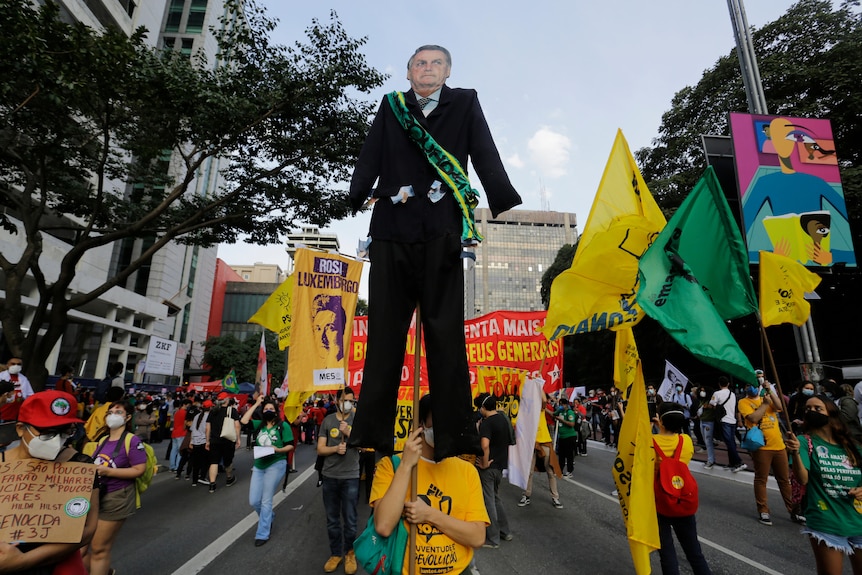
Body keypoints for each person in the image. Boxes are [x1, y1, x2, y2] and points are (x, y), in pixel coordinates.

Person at [347, 44, 521, 460]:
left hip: (443, 230)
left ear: (448, 71)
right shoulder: (392, 106)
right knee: (385, 331)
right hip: (391, 229)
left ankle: (457, 434)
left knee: (446, 332)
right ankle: (372, 431)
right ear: (408, 72)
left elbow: (483, 148)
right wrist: (357, 194)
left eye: (436, 63)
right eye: (420, 63)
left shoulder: (465, 102)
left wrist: (500, 194)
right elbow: (372, 151)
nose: (428, 69)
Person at [370, 393, 488, 574]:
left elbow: (477, 537)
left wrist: (429, 514)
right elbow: (384, 526)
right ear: (420, 425)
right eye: (438, 420)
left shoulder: (467, 471)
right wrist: (406, 465)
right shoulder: (390, 467)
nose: (445, 427)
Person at [0, 390, 99, 574]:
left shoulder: (80, 465)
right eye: (46, 433)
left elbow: (88, 529)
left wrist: (23, 561)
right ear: (21, 428)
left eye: (64, 432)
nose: (55, 441)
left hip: (56, 565)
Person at [786, 395, 862, 575]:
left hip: (858, 519)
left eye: (817, 408)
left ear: (831, 412)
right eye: (808, 409)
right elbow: (803, 478)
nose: (811, 412)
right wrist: (795, 453)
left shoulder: (853, 445)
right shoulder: (803, 442)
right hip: (826, 521)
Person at [83, 399, 147, 575]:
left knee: (98, 548)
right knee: (80, 549)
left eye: (118, 412)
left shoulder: (131, 440)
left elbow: (139, 470)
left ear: (127, 418)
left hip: (116, 497)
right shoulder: (103, 440)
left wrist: (108, 472)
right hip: (95, 496)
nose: (113, 416)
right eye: (110, 412)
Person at [653, 401, 712, 575]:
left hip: (659, 503)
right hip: (683, 499)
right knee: (694, 552)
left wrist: (654, 428)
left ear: (660, 421)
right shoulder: (686, 441)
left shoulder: (649, 442)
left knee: (667, 553)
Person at [738, 370, 801, 526]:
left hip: (779, 445)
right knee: (761, 479)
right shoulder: (744, 402)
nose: (751, 388)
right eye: (749, 385)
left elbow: (780, 406)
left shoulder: (766, 396)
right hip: (761, 447)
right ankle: (763, 511)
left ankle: (794, 510)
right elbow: (753, 418)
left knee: (784, 480)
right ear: (745, 387)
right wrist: (765, 405)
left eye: (754, 384)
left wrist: (770, 392)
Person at [240, 395, 294, 547]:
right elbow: (243, 421)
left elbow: (290, 445)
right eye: (265, 409)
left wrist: (278, 449)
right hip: (259, 465)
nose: (268, 410)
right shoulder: (259, 424)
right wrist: (256, 403)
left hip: (277, 462)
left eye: (271, 408)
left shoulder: (283, 426)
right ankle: (268, 517)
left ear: (276, 411)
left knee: (265, 500)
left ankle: (263, 533)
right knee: (254, 500)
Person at [318, 387, 360, 574]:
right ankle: (336, 554)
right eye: (345, 400)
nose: (348, 403)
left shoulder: (356, 420)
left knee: (350, 519)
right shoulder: (327, 421)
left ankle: (350, 552)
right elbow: (320, 449)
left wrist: (349, 431)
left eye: (351, 400)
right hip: (330, 477)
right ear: (337, 401)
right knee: (332, 519)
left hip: (351, 476)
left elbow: (363, 443)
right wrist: (335, 450)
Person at [475, 393, 512, 547]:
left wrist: (484, 463)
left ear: (483, 407)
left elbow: (484, 445)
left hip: (488, 468)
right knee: (496, 499)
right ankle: (505, 531)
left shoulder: (487, 423)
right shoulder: (503, 419)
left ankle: (493, 538)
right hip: (500, 466)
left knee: (488, 501)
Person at [518, 393, 564, 510]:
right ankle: (526, 495)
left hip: (544, 443)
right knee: (529, 472)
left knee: (550, 471)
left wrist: (539, 383)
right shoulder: (524, 413)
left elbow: (543, 399)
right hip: (531, 444)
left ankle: (555, 497)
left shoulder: (540, 409)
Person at [205, 392, 241, 493]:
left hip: (214, 440)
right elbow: (237, 425)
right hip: (228, 440)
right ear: (226, 400)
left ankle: (212, 484)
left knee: (214, 461)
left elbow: (208, 427)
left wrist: (207, 440)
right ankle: (229, 478)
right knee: (227, 461)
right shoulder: (232, 411)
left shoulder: (213, 411)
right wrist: (238, 438)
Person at [710, 376, 747, 472]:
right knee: (731, 442)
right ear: (728, 384)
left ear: (719, 384)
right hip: (732, 420)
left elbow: (711, 405)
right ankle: (732, 463)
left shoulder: (717, 393)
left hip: (724, 420)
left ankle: (739, 462)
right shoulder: (733, 394)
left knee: (729, 442)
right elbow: (735, 407)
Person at [0, 357, 34, 422]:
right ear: (7, 365)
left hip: (15, 413)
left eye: (18, 364)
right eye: (13, 364)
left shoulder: (23, 379)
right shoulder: (1, 376)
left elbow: (30, 395)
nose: (16, 366)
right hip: (3, 411)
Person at [189, 399, 211, 486]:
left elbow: (192, 430)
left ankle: (194, 480)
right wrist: (208, 441)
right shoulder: (209, 417)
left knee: (196, 461)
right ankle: (202, 477)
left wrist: (191, 441)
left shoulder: (197, 416)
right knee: (205, 460)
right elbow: (207, 430)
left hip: (195, 441)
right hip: (203, 440)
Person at [555, 396, 578, 477]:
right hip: (562, 437)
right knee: (561, 455)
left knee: (569, 455)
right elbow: (553, 414)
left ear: (565, 405)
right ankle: (560, 470)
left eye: (561, 404)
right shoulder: (560, 411)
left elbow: (572, 424)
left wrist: (561, 420)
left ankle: (569, 471)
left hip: (570, 437)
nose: (560, 406)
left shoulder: (569, 412)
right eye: (559, 404)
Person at [698, 386, 717, 469]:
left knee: (708, 441)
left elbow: (714, 407)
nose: (702, 392)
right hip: (702, 421)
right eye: (701, 390)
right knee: (706, 441)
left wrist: (708, 406)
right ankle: (710, 459)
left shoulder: (712, 401)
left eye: (704, 390)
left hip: (709, 422)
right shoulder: (702, 400)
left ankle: (711, 460)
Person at [170, 398, 189, 474]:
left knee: (173, 450)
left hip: (174, 432)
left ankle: (172, 466)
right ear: (184, 404)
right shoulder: (185, 413)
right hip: (181, 433)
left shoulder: (176, 412)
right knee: (180, 451)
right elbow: (185, 423)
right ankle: (178, 466)